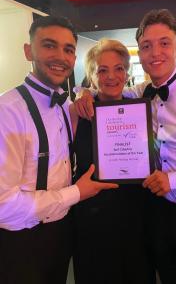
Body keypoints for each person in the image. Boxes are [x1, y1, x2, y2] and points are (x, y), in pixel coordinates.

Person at [74, 9, 176, 284]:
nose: (155, 52)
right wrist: (82, 93)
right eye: (146, 46)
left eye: (164, 43)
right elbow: (108, 89)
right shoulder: (140, 94)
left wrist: (174, 180)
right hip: (156, 212)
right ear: (140, 54)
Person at [0, 16, 118, 284]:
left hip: (62, 233)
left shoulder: (66, 107)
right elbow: (3, 205)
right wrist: (77, 193)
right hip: (21, 240)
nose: (60, 56)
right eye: (49, 45)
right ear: (28, 51)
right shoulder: (7, 111)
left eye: (68, 49)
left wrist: (84, 96)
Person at [70, 38, 154, 284]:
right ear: (92, 76)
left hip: (135, 214)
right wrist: (82, 93)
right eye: (102, 70)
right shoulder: (77, 113)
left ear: (126, 72)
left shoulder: (141, 108)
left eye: (118, 68)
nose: (111, 76)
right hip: (93, 219)